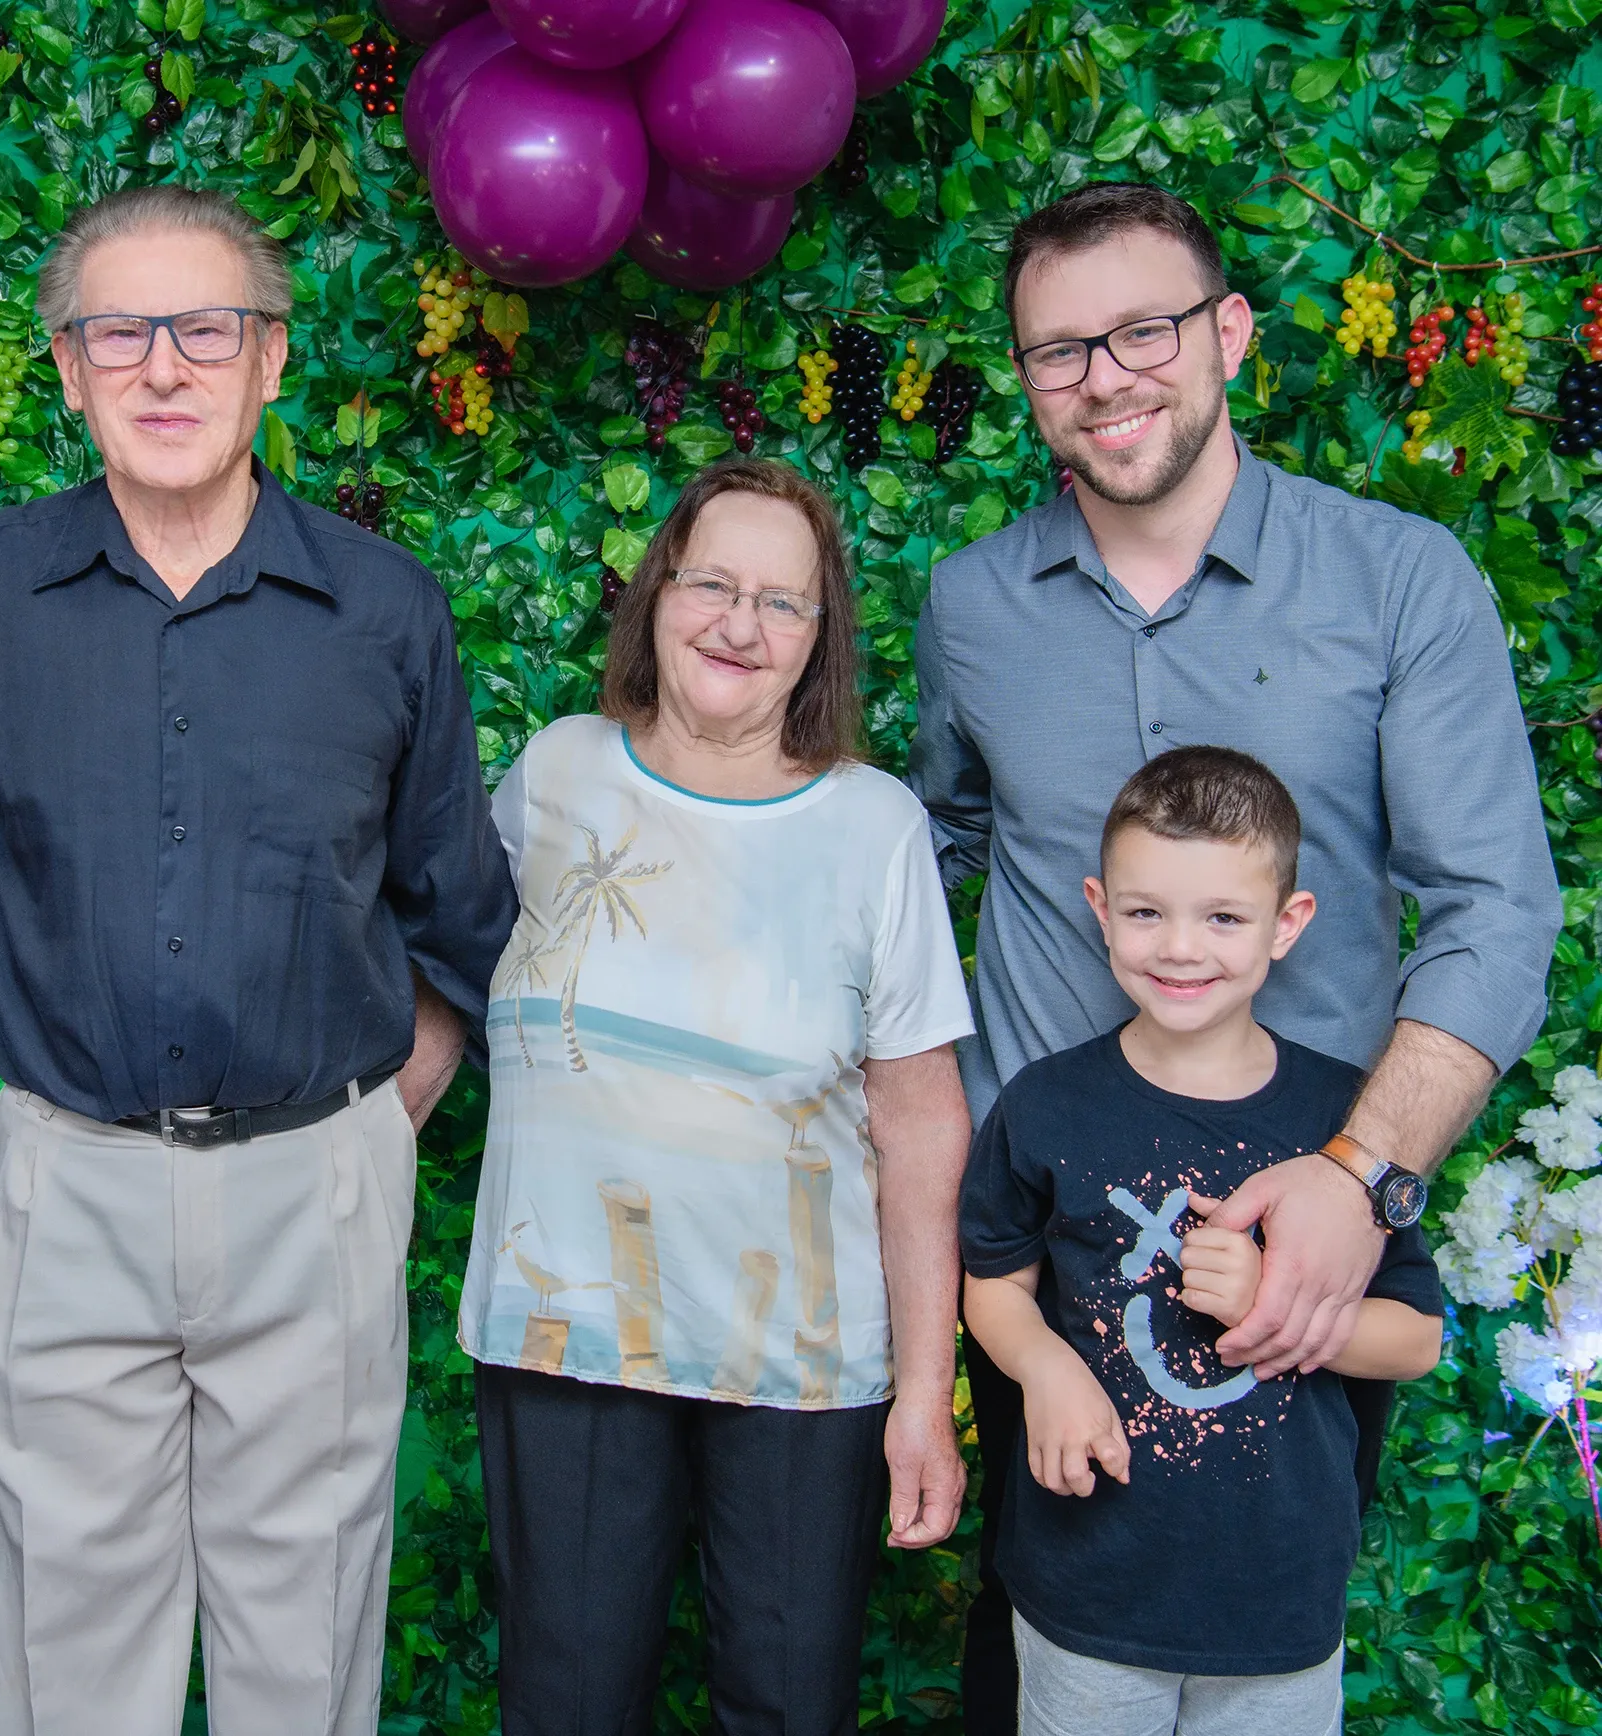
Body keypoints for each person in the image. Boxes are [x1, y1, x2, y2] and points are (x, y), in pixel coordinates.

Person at [0, 184, 515, 1736]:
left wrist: (395, 1112)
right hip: (71, 1187)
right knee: (64, 1648)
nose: (162, 367)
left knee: (303, 1644)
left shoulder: (384, 611)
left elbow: (459, 903)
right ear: (67, 369)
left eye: (205, 328)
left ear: (271, 361)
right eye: (119, 332)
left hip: (316, 1178)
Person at [908, 182, 1561, 1729]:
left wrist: (1360, 1179)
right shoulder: (970, 605)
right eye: (1057, 350)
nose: (1104, 376)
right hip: (1042, 1251)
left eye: (1142, 329)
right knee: (1040, 1647)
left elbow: (1494, 908)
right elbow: (927, 853)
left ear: (1228, 334)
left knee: (1263, 1643)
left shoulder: (1395, 580)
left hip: (1299, 1241)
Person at [459, 458, 975, 1736]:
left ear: (818, 639)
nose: (739, 625)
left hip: (803, 1362)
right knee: (566, 1706)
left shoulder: (875, 827)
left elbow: (918, 1123)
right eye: (712, 584)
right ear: (657, 596)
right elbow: (435, 979)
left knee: (788, 1708)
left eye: (782, 603)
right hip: (566, 1331)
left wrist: (924, 1392)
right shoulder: (555, 771)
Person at [960, 746, 1443, 1736]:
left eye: (1222, 916)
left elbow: (1413, 1338)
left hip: (1279, 1602)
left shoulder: (1342, 1125)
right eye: (1145, 912)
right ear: (1099, 907)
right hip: (1086, 1592)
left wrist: (1276, 1301)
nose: (1181, 946)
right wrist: (1045, 1369)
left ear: (1286, 924)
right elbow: (994, 1285)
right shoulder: (1044, 1105)